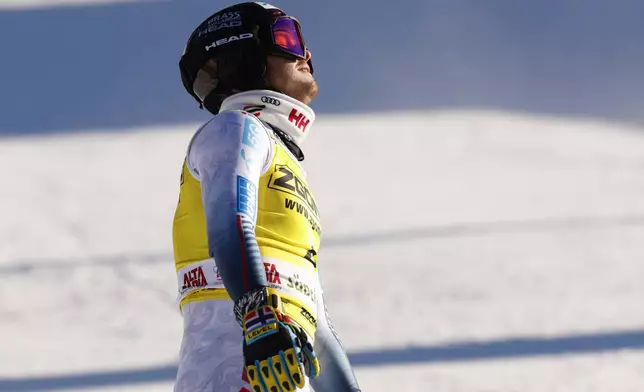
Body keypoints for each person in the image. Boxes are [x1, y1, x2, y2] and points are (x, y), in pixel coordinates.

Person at [172, 2, 361, 391]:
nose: (305, 55)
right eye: (288, 38)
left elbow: (317, 324)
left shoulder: (284, 160)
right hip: (235, 370)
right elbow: (229, 225)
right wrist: (259, 320)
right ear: (243, 56)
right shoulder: (233, 128)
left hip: (277, 370)